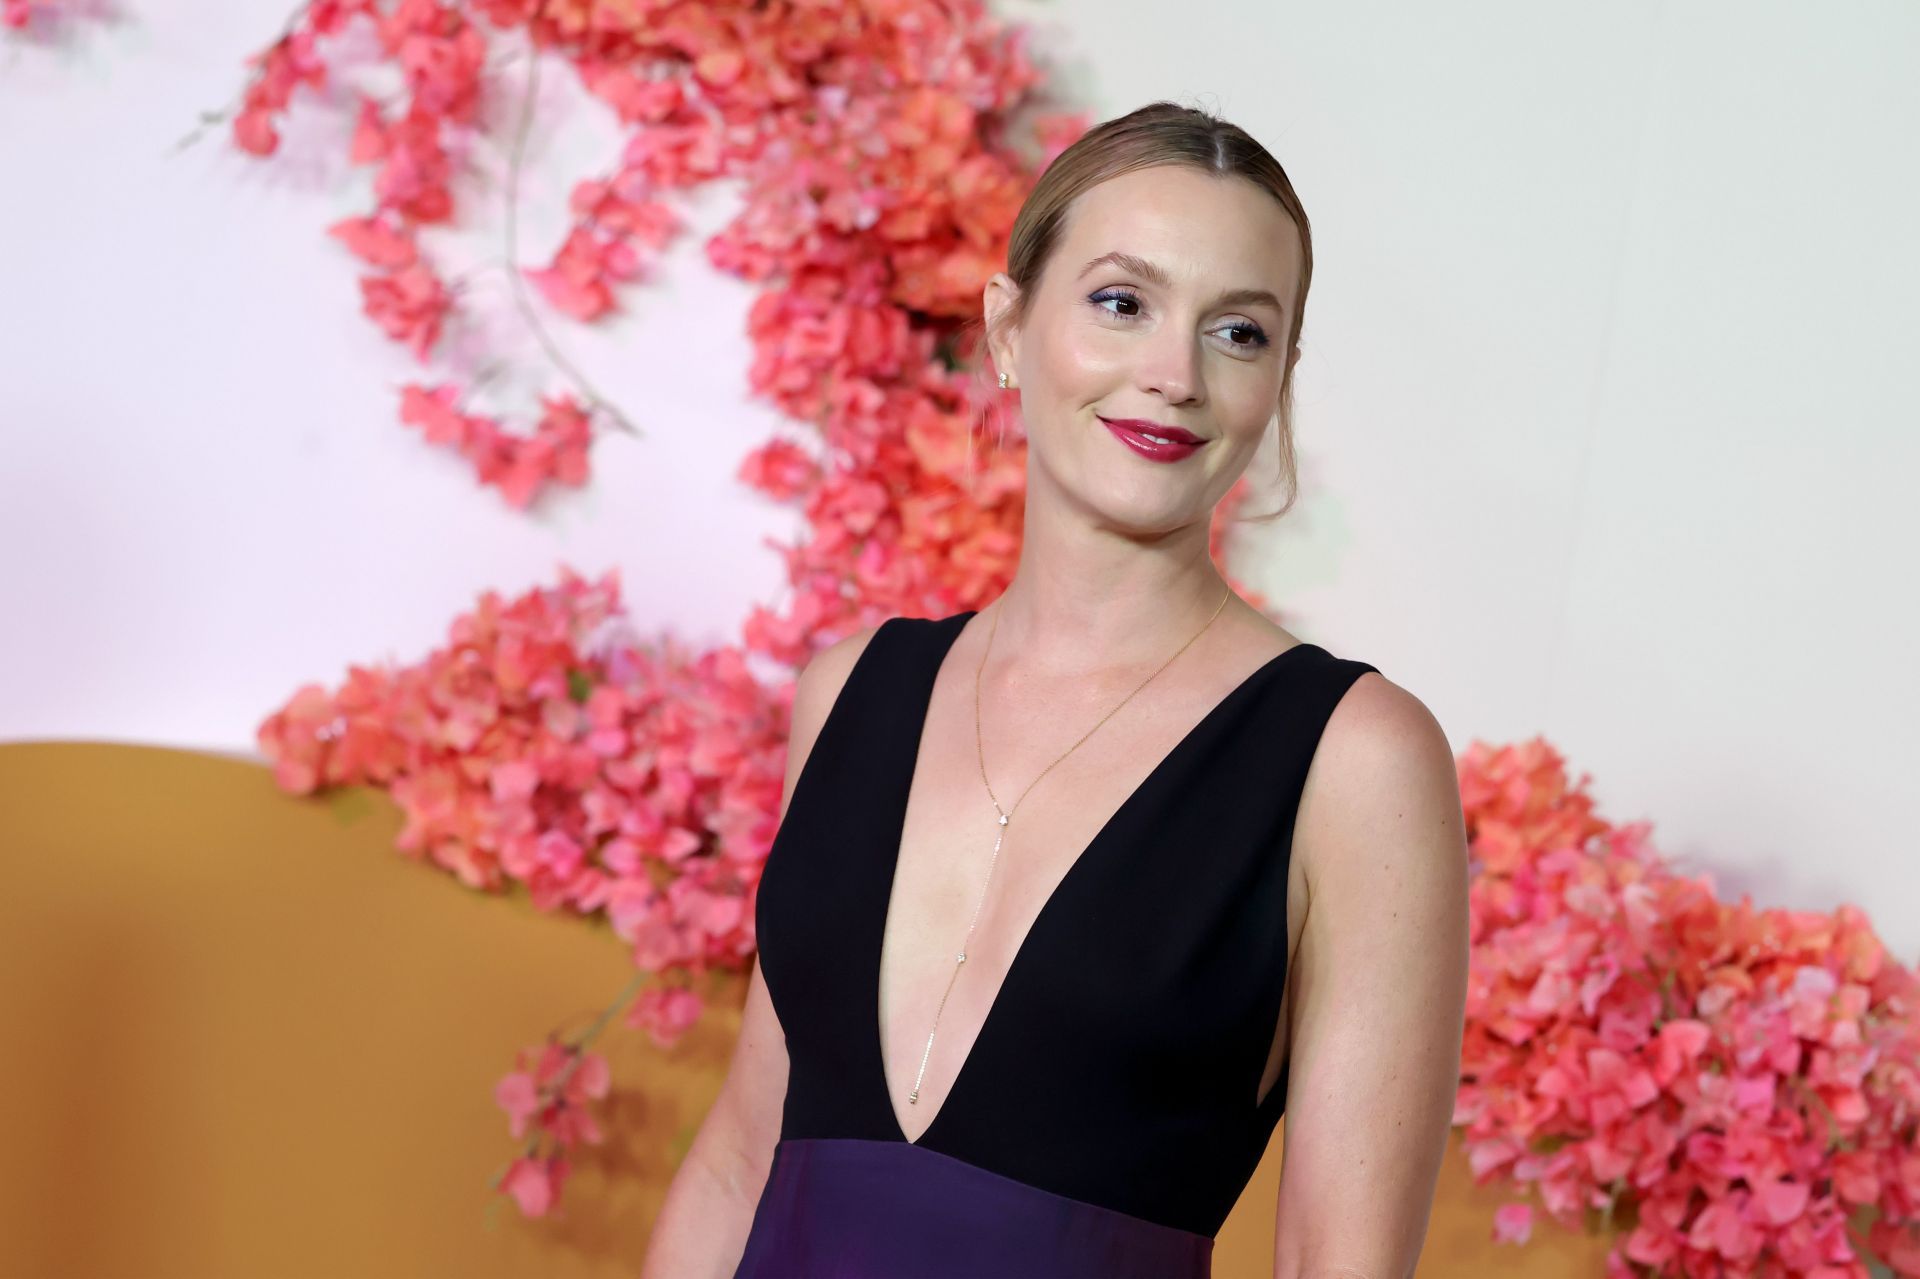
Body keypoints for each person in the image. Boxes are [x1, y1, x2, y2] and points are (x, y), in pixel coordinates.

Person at [642, 100, 1470, 1278]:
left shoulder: (1355, 758)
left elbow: (1340, 1262)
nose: (1172, 375)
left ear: (1278, 380)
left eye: (1238, 333)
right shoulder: (852, 693)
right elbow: (738, 1158)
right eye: (1122, 303)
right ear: (1010, 329)